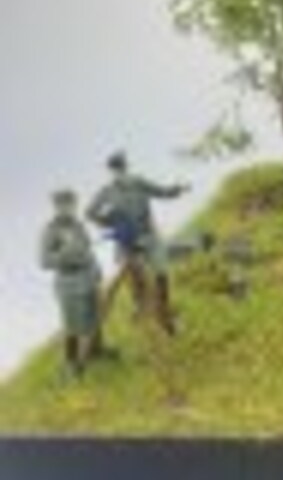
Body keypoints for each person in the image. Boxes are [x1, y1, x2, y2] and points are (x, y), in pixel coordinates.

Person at [87, 151, 190, 335]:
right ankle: (140, 308)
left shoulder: (139, 182)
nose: (119, 172)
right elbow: (90, 212)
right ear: (111, 171)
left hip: (148, 236)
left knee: (161, 273)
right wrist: (110, 221)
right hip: (127, 243)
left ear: (125, 167)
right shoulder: (107, 191)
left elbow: (162, 192)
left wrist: (178, 189)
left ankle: (165, 313)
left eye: (121, 167)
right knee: (134, 280)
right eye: (115, 169)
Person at [40, 189, 113, 379]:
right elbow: (44, 261)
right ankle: (70, 364)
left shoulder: (78, 225)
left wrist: (97, 273)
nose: (69, 208)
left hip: (88, 278)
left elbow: (88, 250)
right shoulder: (51, 231)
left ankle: (97, 351)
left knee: (95, 317)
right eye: (64, 205)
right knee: (72, 326)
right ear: (56, 207)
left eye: (71, 204)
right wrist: (66, 254)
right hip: (69, 284)